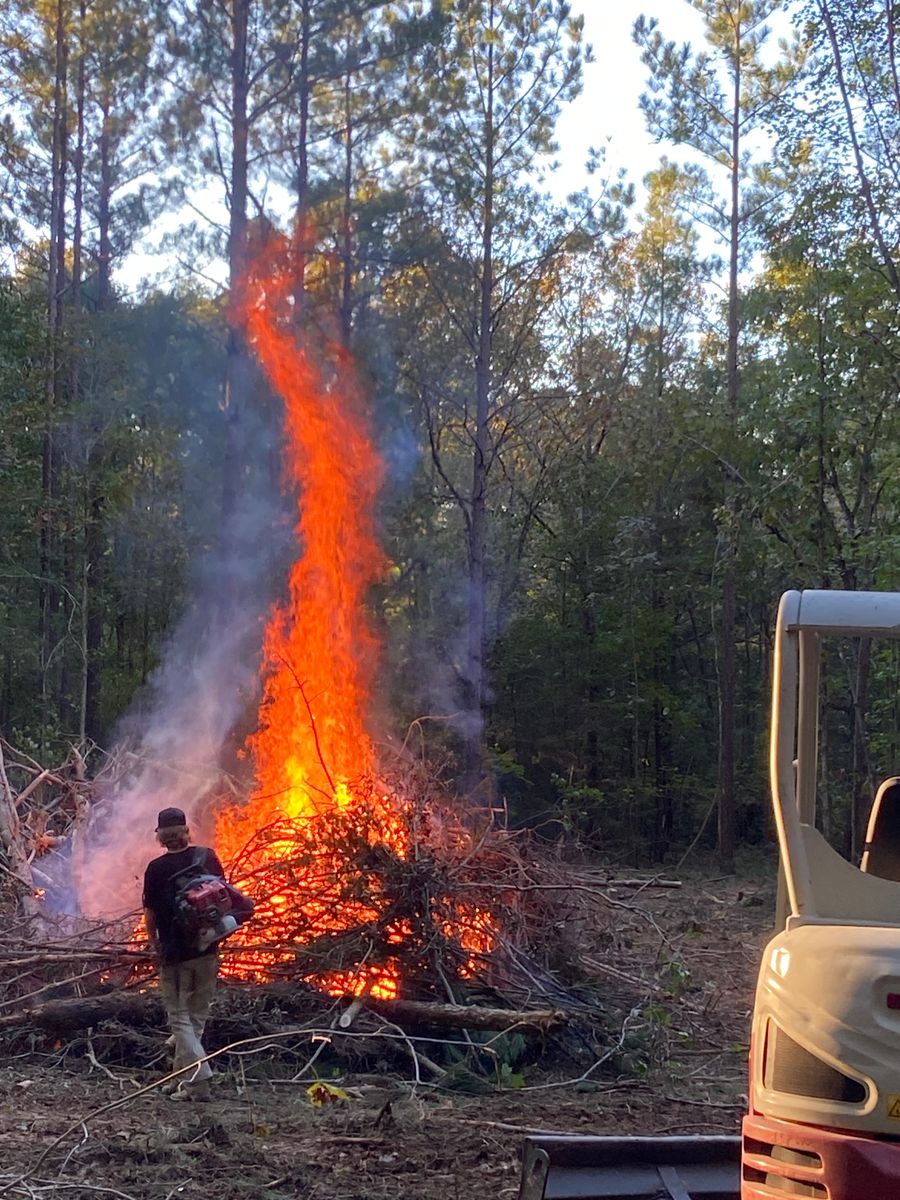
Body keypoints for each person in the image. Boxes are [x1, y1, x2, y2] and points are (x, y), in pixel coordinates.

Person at [143, 807, 225, 1102]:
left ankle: (197, 1081)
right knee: (196, 1017)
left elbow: (150, 915)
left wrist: (154, 945)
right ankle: (179, 1078)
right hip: (207, 947)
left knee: (179, 1018)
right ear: (186, 832)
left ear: (161, 838)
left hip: (175, 953)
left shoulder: (156, 869)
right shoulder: (208, 857)